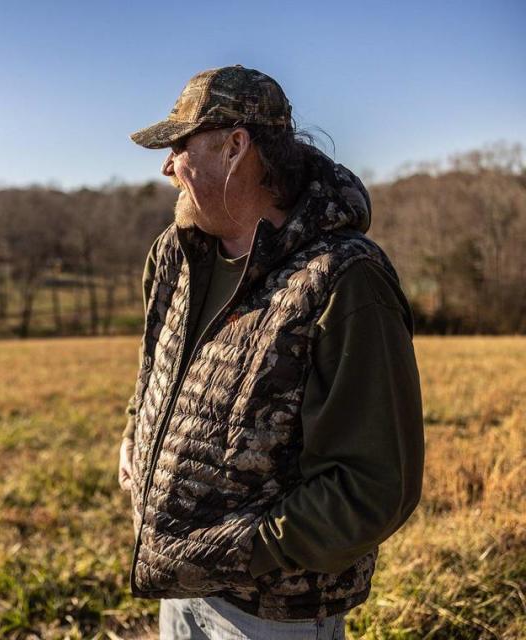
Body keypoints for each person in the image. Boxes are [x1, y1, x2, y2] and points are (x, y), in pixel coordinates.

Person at [117, 65, 425, 639]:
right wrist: (135, 431)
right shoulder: (176, 254)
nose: (166, 167)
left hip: (273, 617)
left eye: (180, 147)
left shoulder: (345, 281)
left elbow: (373, 488)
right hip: (180, 590)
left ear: (236, 148)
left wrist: (237, 550)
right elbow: (155, 366)